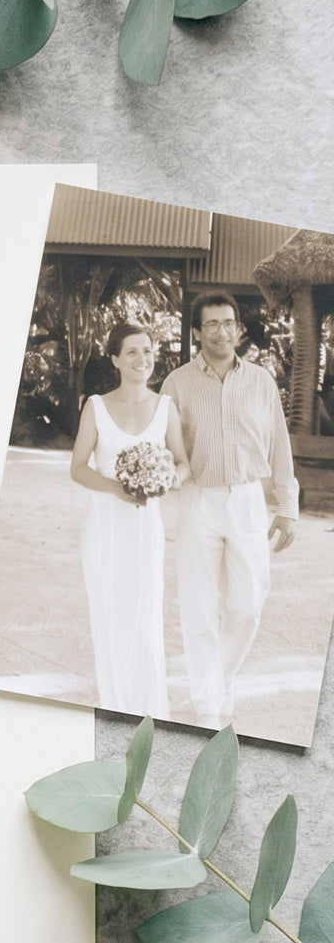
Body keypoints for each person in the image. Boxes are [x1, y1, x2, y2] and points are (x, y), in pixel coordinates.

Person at [161, 291, 298, 728]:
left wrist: (288, 505)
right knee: (199, 605)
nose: (222, 331)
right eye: (212, 324)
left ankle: (219, 681)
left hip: (246, 500)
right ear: (197, 332)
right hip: (198, 498)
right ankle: (206, 704)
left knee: (247, 605)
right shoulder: (176, 384)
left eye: (228, 323)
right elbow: (165, 448)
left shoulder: (260, 381)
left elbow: (279, 444)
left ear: (239, 328)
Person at [71, 323, 190, 718]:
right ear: (115, 360)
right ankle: (115, 707)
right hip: (105, 526)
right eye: (133, 352)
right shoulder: (96, 406)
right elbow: (77, 468)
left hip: (145, 529)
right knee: (109, 612)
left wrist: (166, 478)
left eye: (148, 350)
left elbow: (183, 463)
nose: (143, 358)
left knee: (144, 614)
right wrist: (114, 488)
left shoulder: (166, 406)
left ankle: (150, 712)